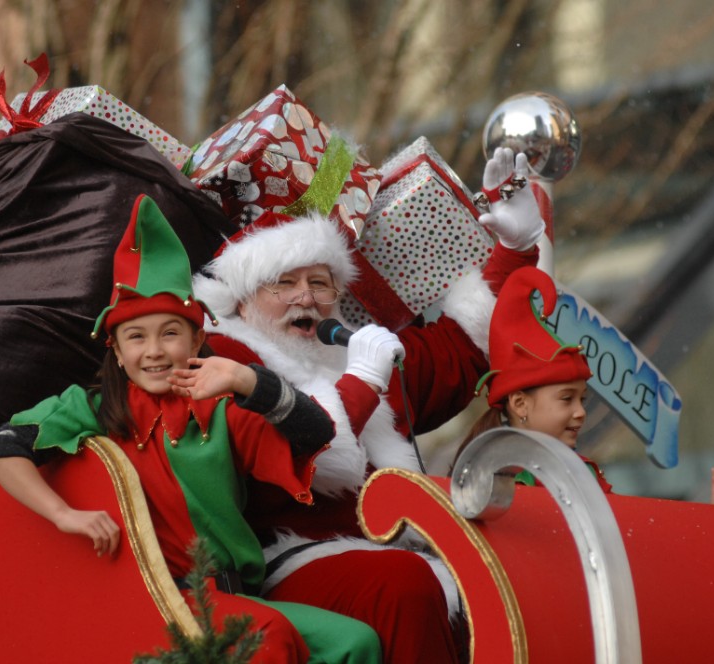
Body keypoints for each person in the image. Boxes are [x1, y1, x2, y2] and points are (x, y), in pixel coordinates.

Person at [0, 195, 382, 664]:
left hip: (238, 597)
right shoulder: (93, 407)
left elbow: (315, 435)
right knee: (269, 637)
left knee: (357, 643)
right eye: (136, 336)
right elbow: (2, 447)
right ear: (115, 348)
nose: (153, 350)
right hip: (155, 600)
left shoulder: (222, 408)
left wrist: (248, 379)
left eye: (169, 333)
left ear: (195, 339)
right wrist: (63, 514)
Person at [190, 147, 546, 663]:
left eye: (319, 282)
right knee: (402, 584)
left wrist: (515, 248)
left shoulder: (353, 350)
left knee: (513, 576)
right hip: (286, 558)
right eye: (283, 283)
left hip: (403, 551)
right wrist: (362, 380)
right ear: (243, 297)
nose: (306, 298)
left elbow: (459, 348)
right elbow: (312, 458)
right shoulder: (225, 354)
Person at [459, 265, 714, 507]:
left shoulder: (584, 475)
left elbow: (637, 552)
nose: (581, 412)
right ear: (519, 403)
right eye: (566, 399)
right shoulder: (491, 485)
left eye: (582, 398)